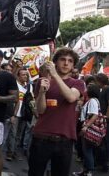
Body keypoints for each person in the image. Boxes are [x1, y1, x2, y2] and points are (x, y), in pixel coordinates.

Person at [28, 47, 85, 176]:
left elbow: (71, 97)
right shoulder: (42, 82)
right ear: (56, 62)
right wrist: (42, 92)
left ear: (73, 65)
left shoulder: (78, 83)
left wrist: (54, 75)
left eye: (70, 61)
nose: (66, 63)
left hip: (64, 141)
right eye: (62, 60)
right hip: (41, 137)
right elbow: (40, 111)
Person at [73, 84, 101, 176]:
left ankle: (89, 171)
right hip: (87, 127)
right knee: (86, 150)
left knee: (87, 150)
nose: (85, 90)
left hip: (88, 128)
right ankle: (84, 171)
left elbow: (94, 115)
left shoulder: (92, 101)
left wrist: (86, 126)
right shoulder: (92, 100)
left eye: (87, 89)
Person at [96, 73, 109, 172]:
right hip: (104, 118)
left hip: (106, 120)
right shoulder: (104, 89)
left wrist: (106, 116)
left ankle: (105, 164)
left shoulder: (106, 89)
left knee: (104, 142)